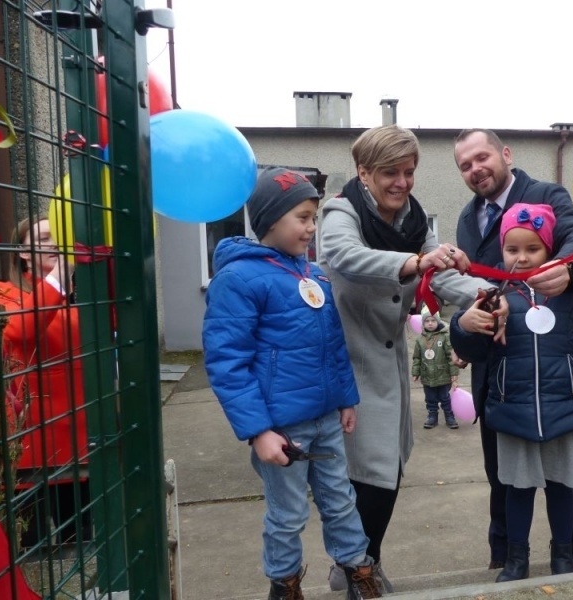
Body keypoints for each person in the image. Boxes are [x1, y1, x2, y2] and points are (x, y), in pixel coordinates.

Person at [319, 125, 494, 592]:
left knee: (389, 469)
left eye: (409, 172)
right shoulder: (341, 210)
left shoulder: (416, 219)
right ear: (363, 172)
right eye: (390, 173)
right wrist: (415, 262)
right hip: (350, 361)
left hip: (391, 361)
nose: (402, 182)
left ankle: (360, 560)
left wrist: (488, 293)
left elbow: (437, 278)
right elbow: (343, 256)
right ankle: (359, 566)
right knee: (365, 474)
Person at [201, 167, 383, 600]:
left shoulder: (313, 275)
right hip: (281, 429)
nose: (311, 227)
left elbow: (332, 345)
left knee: (341, 501)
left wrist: (344, 399)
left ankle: (358, 572)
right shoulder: (239, 279)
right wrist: (258, 431)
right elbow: (227, 362)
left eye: (313, 217)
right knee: (287, 514)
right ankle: (284, 585)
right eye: (302, 217)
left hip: (324, 419)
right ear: (270, 220)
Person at [450, 203, 573, 582]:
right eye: (512, 249)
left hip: (563, 409)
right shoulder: (494, 295)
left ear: (549, 250)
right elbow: (473, 352)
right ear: (502, 251)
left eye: (532, 249)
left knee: (563, 486)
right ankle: (517, 558)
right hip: (512, 411)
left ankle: (562, 554)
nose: (521, 257)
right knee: (516, 490)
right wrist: (466, 325)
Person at [452, 128, 573, 569]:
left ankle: (566, 554)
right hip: (499, 375)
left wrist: (567, 269)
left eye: (482, 157)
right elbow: (474, 284)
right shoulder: (467, 217)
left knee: (564, 478)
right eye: (464, 165)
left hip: (554, 376)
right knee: (503, 475)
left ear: (505, 154)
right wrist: (468, 326)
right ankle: (507, 557)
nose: (476, 169)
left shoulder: (546, 194)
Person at [0, 217, 90, 547]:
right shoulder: (5, 293)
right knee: (31, 550)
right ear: (22, 253)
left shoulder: (82, 293)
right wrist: (59, 277)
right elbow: (20, 330)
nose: (56, 242)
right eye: (46, 237)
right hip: (31, 454)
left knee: (82, 543)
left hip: (82, 447)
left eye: (61, 235)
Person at [412, 312, 459, 430]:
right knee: (430, 398)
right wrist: (416, 372)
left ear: (438, 322)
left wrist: (454, 373)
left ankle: (449, 416)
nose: (430, 323)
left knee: (445, 397)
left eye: (433, 321)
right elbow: (417, 357)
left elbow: (451, 356)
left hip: (443, 375)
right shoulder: (420, 340)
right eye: (427, 321)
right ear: (423, 324)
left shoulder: (445, 337)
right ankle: (432, 416)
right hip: (427, 376)